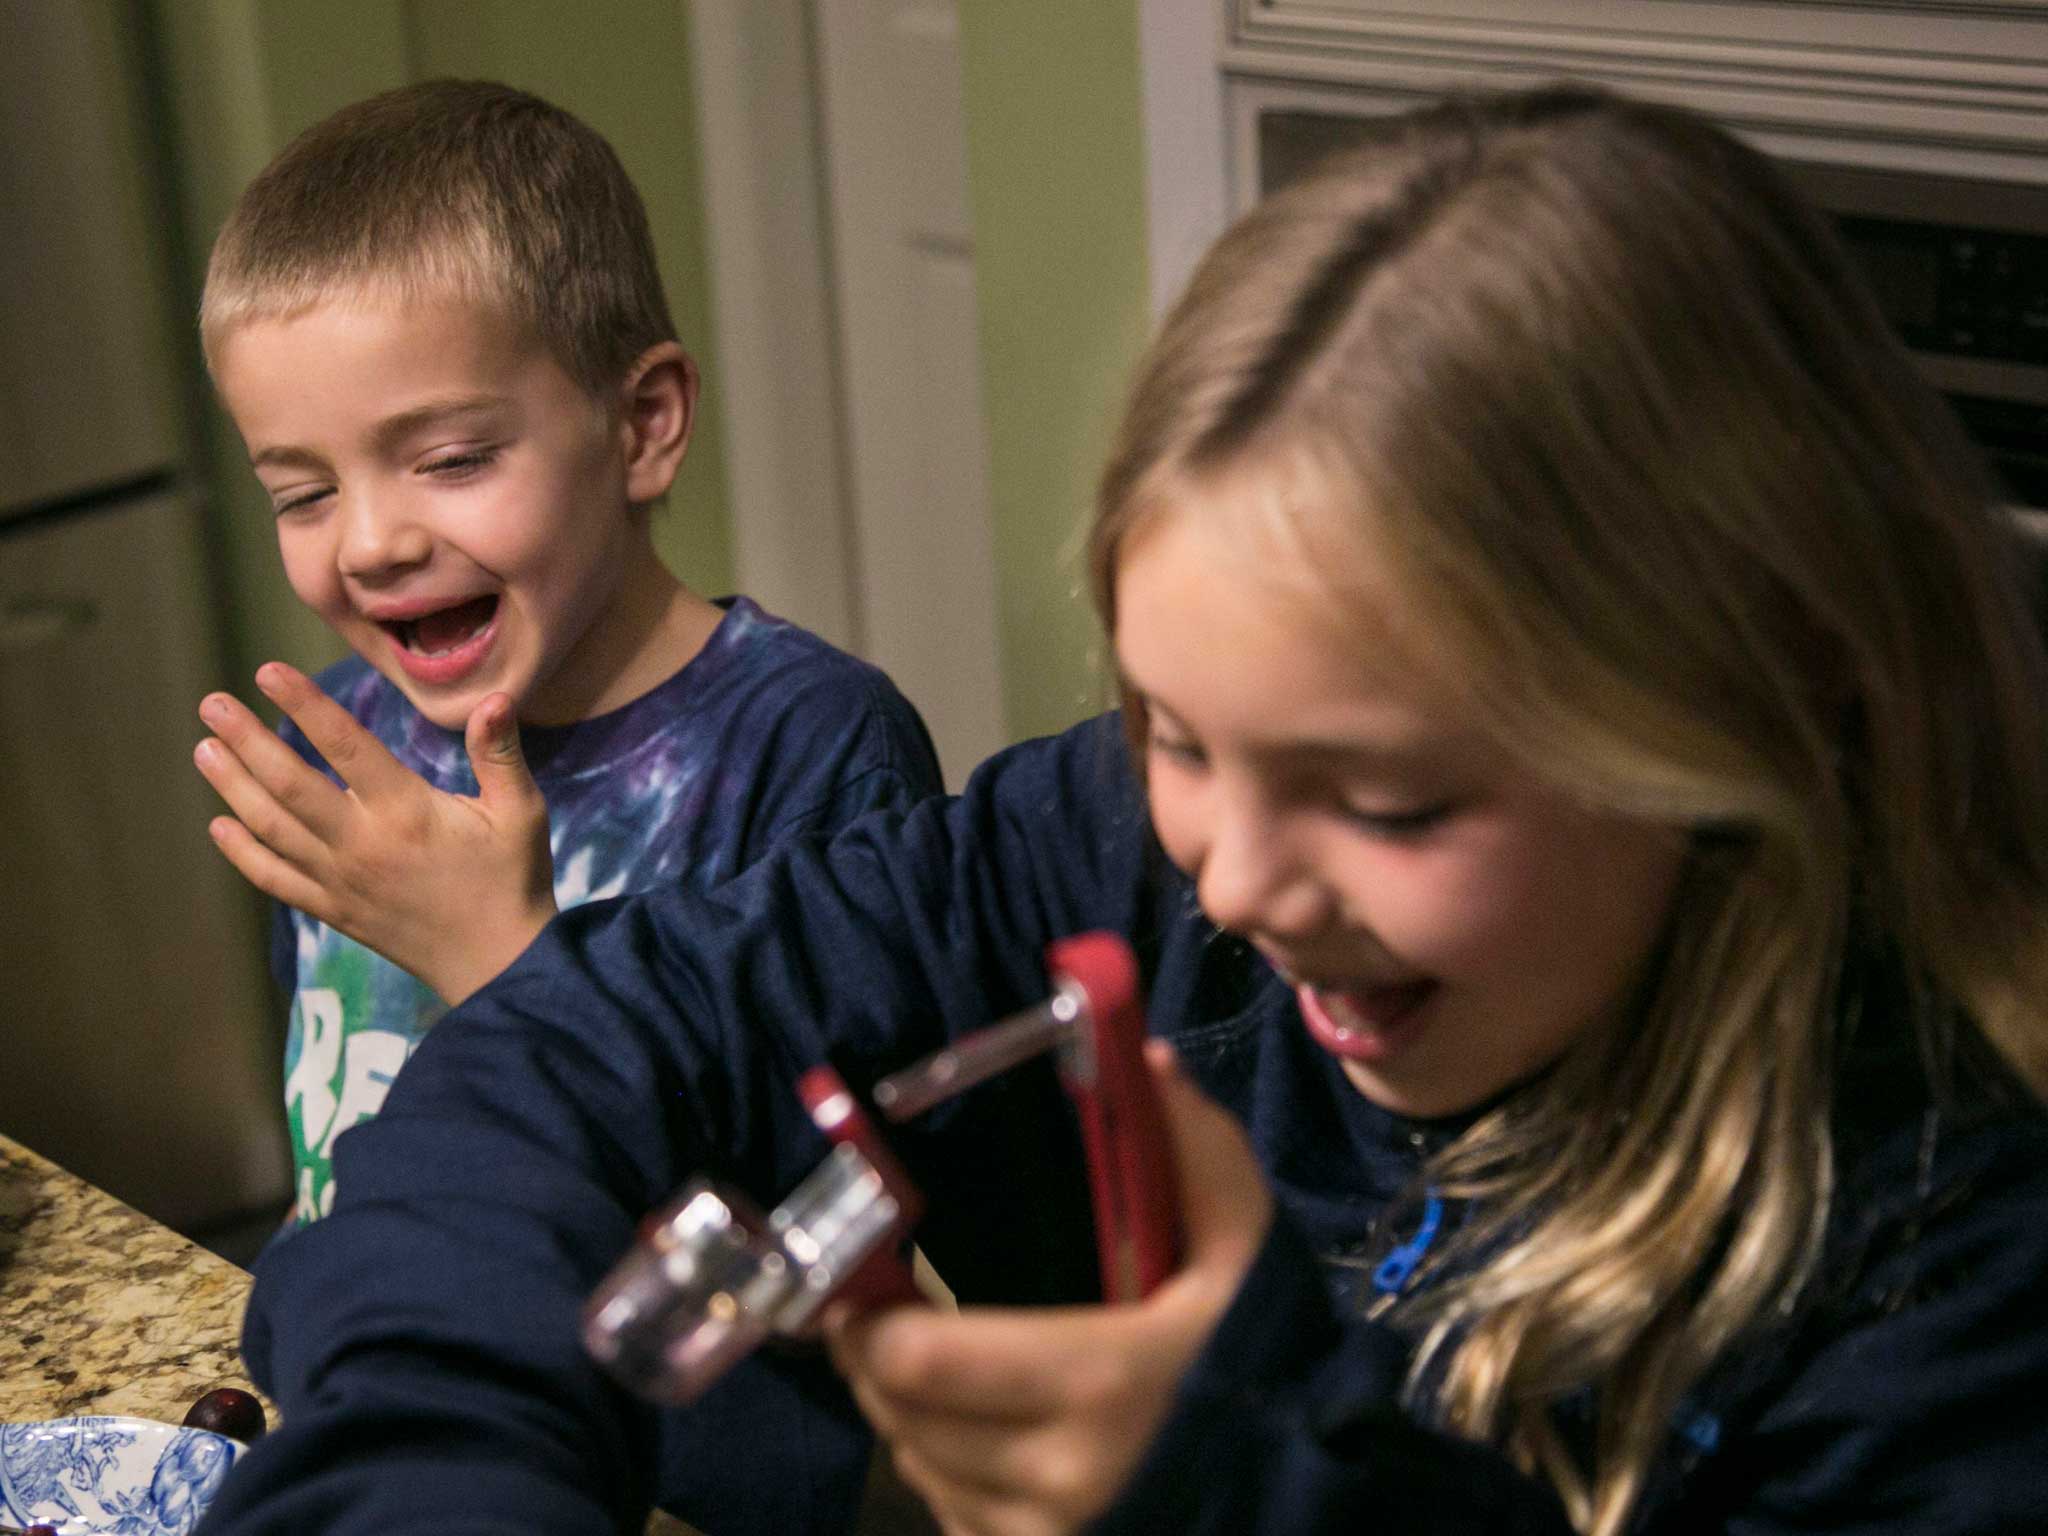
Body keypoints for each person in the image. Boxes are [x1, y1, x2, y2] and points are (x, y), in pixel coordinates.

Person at [195, 85, 2048, 1536]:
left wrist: (1233, 1468)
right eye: (1173, 731)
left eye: (1389, 800)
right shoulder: (1107, 847)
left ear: (1742, 735)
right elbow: (574, 1053)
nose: (1230, 883)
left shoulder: (1953, 1275)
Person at [188, 79, 942, 1530]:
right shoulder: (350, 741)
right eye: (299, 492)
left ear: (643, 423)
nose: (373, 542)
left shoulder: (810, 749)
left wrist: (509, 964)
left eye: (453, 459)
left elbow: (834, 1280)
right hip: (402, 1430)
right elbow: (340, 1155)